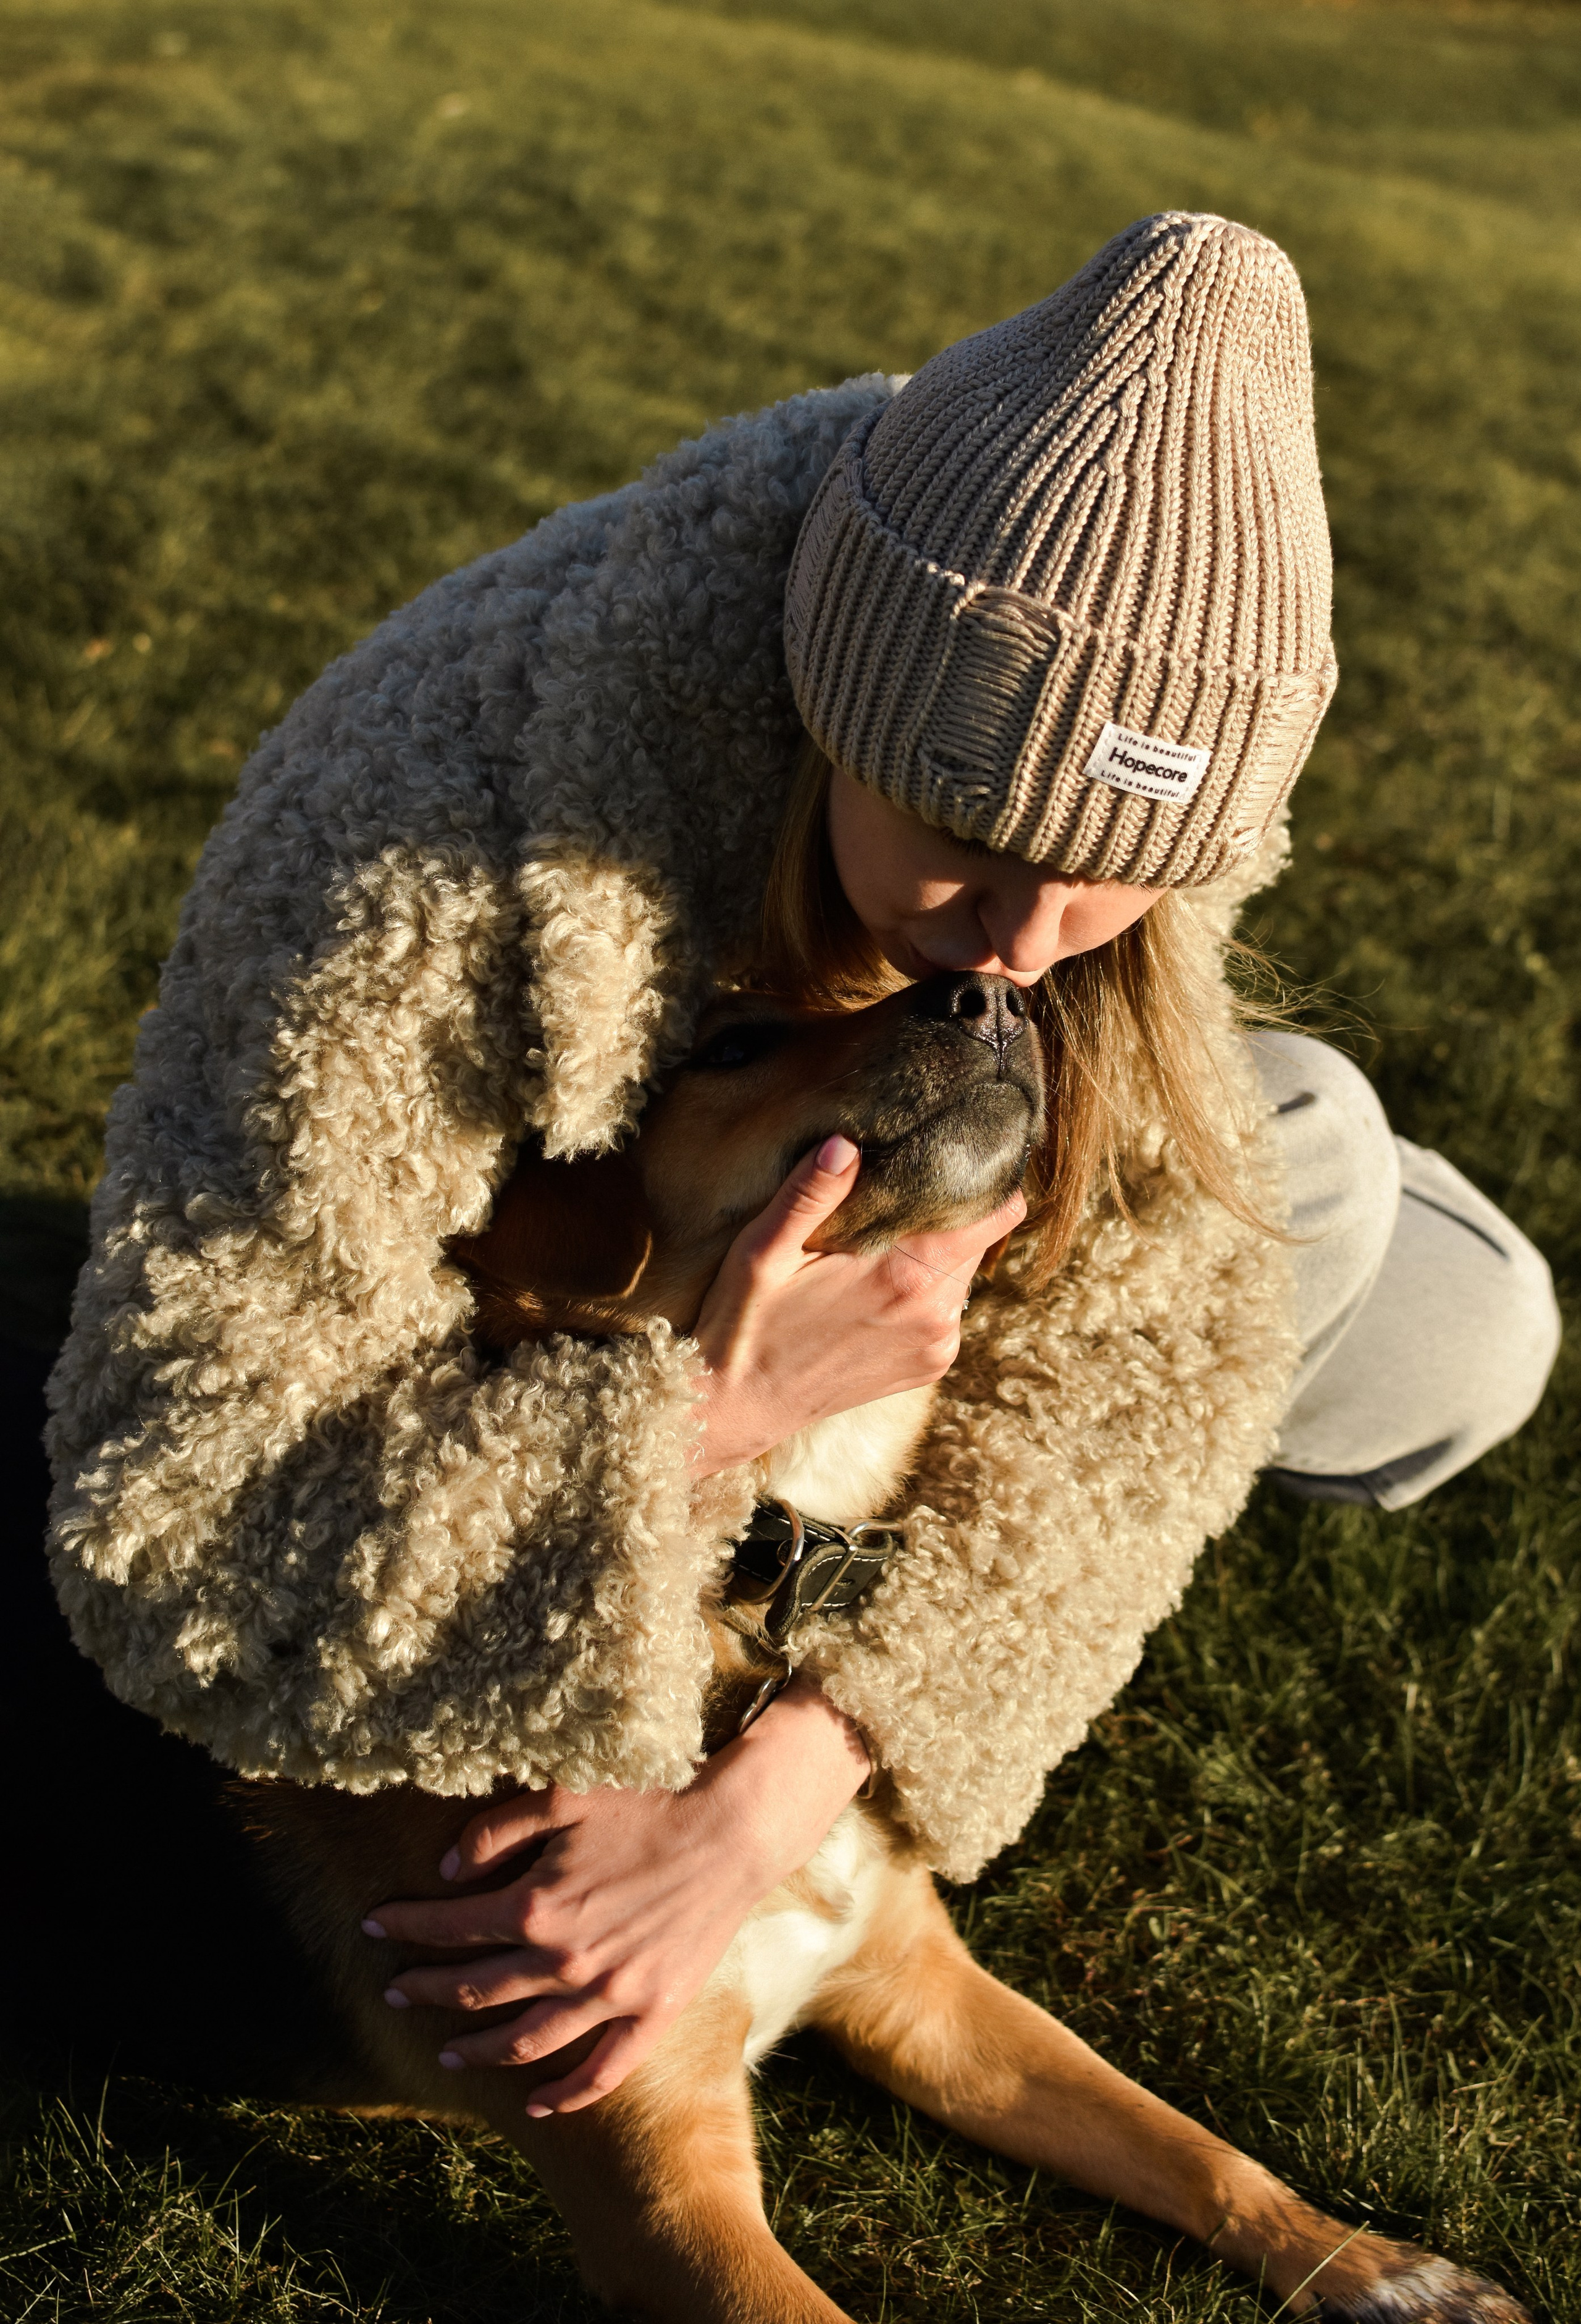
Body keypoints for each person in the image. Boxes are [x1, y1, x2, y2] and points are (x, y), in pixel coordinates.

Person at [46, 214, 1559, 2121]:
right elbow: (173, 1521)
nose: (1024, 940)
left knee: (1443, 1305)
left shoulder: (1154, 731)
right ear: (830, 696)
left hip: (888, 1194)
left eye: (1113, 871)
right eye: (965, 838)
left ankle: (865, 1477)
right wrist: (686, 1415)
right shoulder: (409, 850)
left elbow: (1137, 1389)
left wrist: (777, 1791)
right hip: (583, 1287)